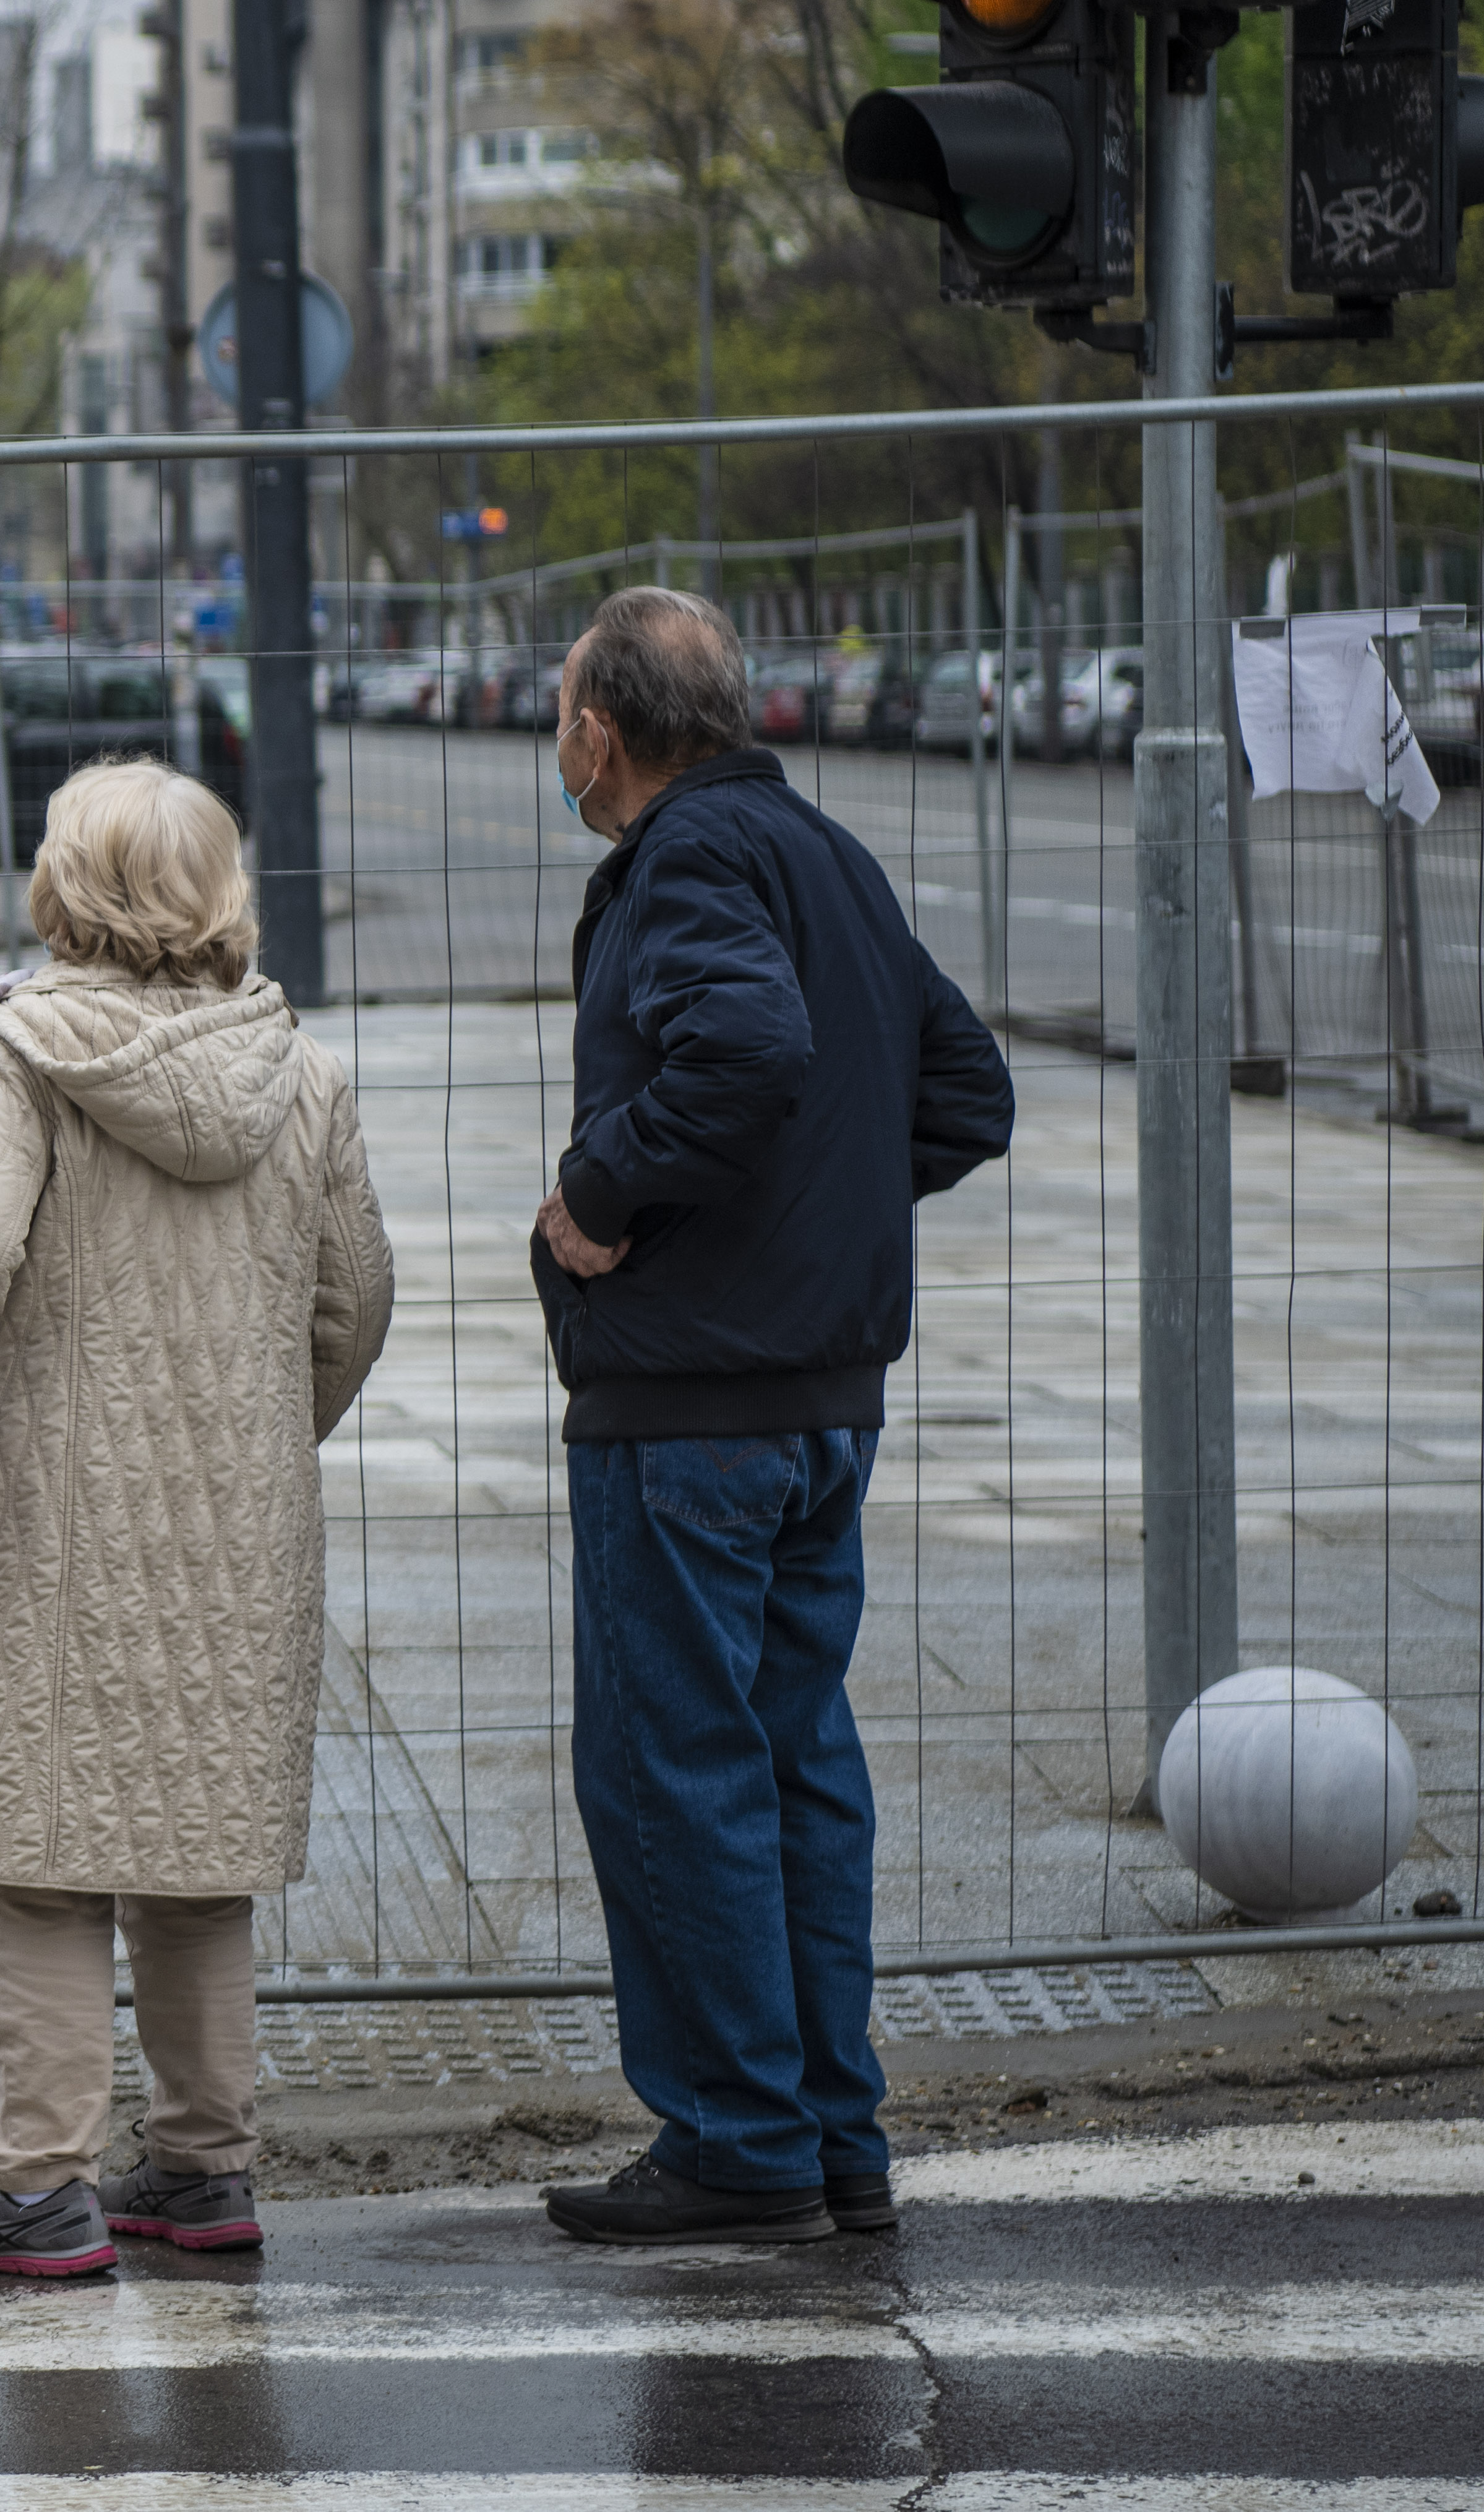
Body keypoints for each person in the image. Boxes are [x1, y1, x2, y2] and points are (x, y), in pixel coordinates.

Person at [0, 759, 394, 2279]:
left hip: (44, 1511)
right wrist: (253, 1431)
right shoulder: (301, 1072)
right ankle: (201, 2167)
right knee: (194, 1848)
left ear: (66, 888)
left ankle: (37, 2182)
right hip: (233, 1530)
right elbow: (353, 1299)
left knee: (49, 1853)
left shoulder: (23, 1055)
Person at [527, 586, 1013, 2247]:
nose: (558, 736)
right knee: (796, 1758)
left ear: (603, 728)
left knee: (671, 1770)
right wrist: (817, 1206)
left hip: (687, 1412)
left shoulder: (687, 864)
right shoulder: (830, 859)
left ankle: (738, 2134)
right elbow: (964, 1093)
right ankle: (830, 2131)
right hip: (818, 1405)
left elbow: (743, 1042)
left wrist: (602, 1191)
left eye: (561, 709)